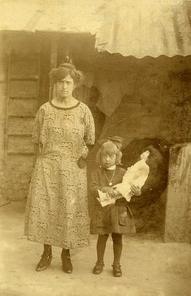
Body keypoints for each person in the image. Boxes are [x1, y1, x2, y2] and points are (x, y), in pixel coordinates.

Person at [24, 63, 95, 273]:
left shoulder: (83, 110)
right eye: (61, 82)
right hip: (47, 167)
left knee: (68, 210)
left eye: (68, 83)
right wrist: (40, 164)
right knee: (47, 209)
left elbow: (90, 139)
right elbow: (36, 139)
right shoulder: (45, 110)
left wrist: (82, 158)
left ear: (74, 85)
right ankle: (46, 253)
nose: (64, 87)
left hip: (73, 169)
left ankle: (66, 254)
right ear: (55, 84)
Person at [90, 137, 141, 277]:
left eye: (111, 156)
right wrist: (104, 189)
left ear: (117, 157)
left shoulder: (124, 173)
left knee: (118, 238)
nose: (107, 159)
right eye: (104, 156)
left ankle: (116, 264)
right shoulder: (96, 173)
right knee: (102, 237)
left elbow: (131, 188)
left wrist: (137, 192)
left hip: (118, 209)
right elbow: (92, 188)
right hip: (103, 210)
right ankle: (99, 262)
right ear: (100, 157)